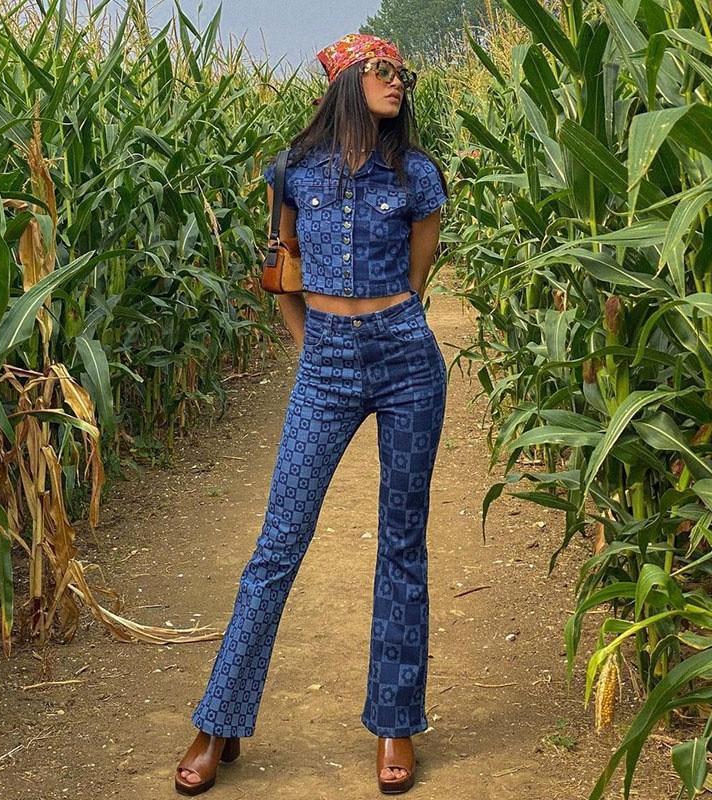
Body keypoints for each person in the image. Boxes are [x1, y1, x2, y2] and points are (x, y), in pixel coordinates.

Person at [174, 32, 449, 796]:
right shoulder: (292, 171)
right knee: (278, 544)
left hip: (406, 363)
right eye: (384, 70)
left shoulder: (417, 174)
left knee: (402, 543)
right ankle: (219, 721)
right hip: (326, 366)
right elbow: (280, 267)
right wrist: (313, 343)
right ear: (347, 81)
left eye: (403, 73)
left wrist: (385, 327)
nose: (398, 83)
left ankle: (395, 722)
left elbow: (418, 274)